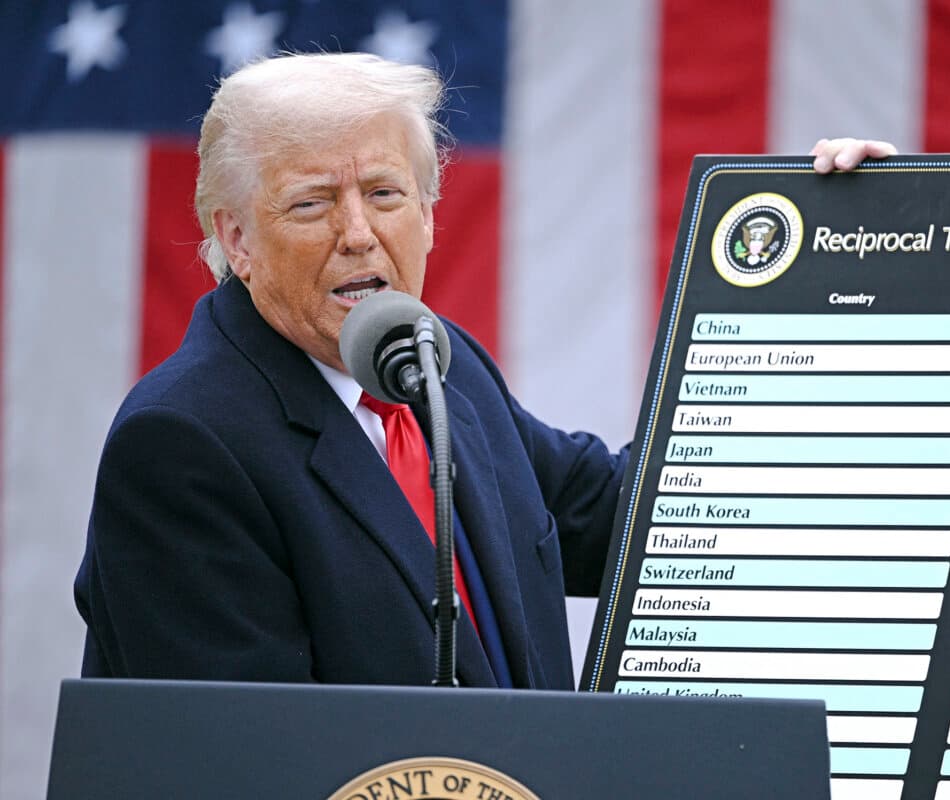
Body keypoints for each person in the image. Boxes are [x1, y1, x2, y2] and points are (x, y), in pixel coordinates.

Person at [74, 52, 889, 689]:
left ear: (429, 216)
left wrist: (830, 272)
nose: (358, 233)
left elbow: (636, 521)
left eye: (386, 193)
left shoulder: (437, 365)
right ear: (237, 239)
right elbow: (252, 759)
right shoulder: (182, 443)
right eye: (312, 203)